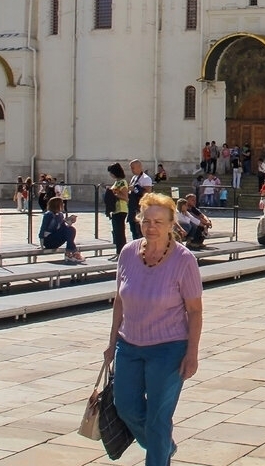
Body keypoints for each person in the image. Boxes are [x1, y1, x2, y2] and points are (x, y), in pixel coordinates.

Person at [104, 194, 202, 466]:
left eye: (159, 221)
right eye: (146, 221)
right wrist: (112, 343)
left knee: (159, 417)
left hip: (168, 349)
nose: (151, 227)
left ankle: (158, 454)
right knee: (126, 407)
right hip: (129, 345)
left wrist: (191, 352)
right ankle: (163, 446)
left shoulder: (184, 260)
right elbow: (120, 300)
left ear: (172, 223)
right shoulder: (128, 253)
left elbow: (194, 311)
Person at [39, 196, 84, 263]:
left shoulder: (60, 215)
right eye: (62, 203)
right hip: (49, 240)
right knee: (70, 230)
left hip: (57, 238)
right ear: (57, 205)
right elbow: (42, 229)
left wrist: (70, 222)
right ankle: (72, 252)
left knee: (71, 229)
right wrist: (42, 245)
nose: (63, 204)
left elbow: (64, 228)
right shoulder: (48, 214)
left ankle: (69, 253)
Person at [106, 163, 129, 260]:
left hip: (121, 209)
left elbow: (125, 197)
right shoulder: (116, 182)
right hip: (115, 210)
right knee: (116, 232)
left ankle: (121, 253)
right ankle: (118, 252)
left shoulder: (122, 182)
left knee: (120, 232)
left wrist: (113, 194)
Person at [128, 160, 153, 240]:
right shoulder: (134, 177)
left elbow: (147, 193)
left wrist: (135, 189)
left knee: (139, 231)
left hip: (140, 208)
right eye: (131, 168)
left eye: (133, 168)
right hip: (132, 207)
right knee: (133, 230)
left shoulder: (146, 178)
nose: (131, 170)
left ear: (139, 167)